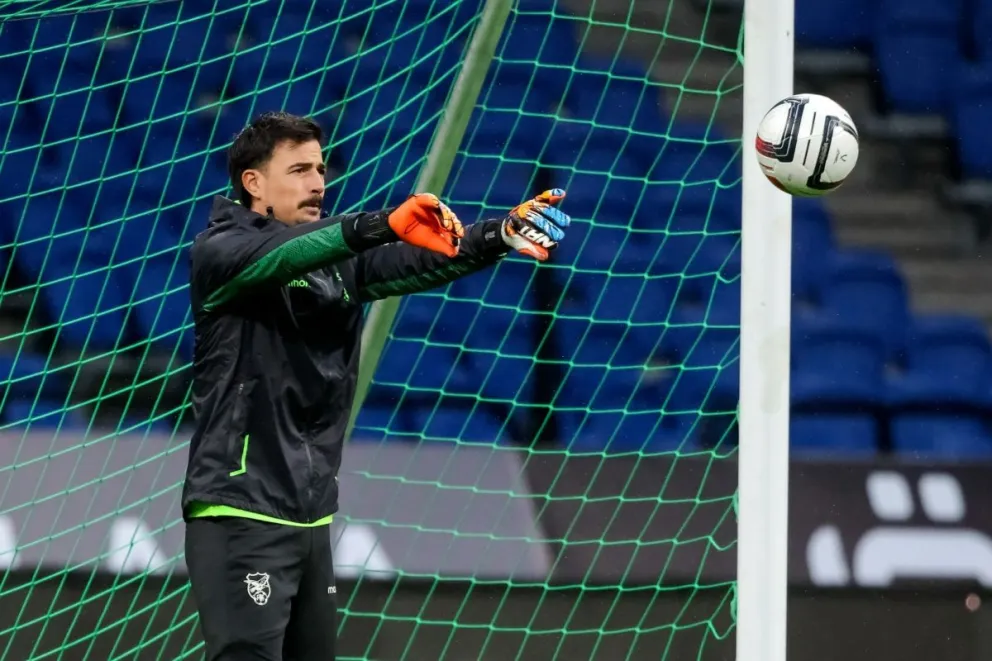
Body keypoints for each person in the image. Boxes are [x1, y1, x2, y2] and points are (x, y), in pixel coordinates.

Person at [181, 111, 571, 661]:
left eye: (320, 168)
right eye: (298, 170)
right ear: (253, 183)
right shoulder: (222, 252)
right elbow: (287, 254)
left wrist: (498, 234)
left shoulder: (333, 264)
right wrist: (379, 223)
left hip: (310, 518)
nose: (318, 182)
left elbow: (410, 260)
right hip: (242, 513)